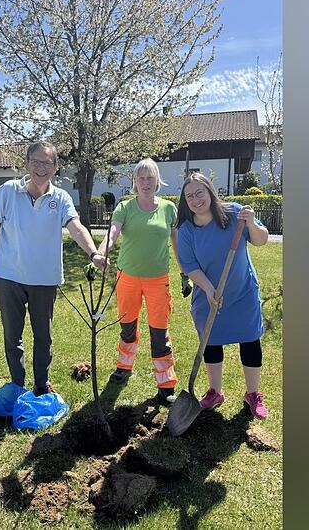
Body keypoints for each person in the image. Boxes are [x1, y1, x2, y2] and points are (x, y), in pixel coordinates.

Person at [0, 141, 107, 396]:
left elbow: (75, 226)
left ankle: (41, 383)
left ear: (55, 167)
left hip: (44, 279)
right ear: (26, 163)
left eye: (47, 163)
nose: (41, 167)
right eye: (36, 161)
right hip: (9, 276)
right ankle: (17, 385)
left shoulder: (60, 198)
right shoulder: (8, 191)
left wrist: (93, 252)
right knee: (12, 336)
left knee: (43, 336)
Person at [174, 173, 271, 418]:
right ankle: (215, 391)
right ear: (185, 201)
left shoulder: (235, 214)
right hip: (208, 296)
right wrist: (208, 289)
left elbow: (261, 240)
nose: (196, 199)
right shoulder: (186, 229)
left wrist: (251, 223)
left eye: (200, 193)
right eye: (190, 196)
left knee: (249, 341)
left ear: (210, 192)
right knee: (211, 341)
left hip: (242, 293)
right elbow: (189, 265)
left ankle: (253, 394)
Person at [95, 158, 181, 404]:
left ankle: (166, 384)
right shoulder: (125, 207)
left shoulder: (168, 208)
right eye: (141, 178)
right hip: (128, 278)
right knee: (128, 327)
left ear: (157, 180)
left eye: (150, 177)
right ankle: (124, 368)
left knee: (159, 332)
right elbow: (112, 233)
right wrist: (101, 253)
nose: (146, 182)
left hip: (158, 280)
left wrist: (185, 273)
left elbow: (176, 243)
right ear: (135, 181)